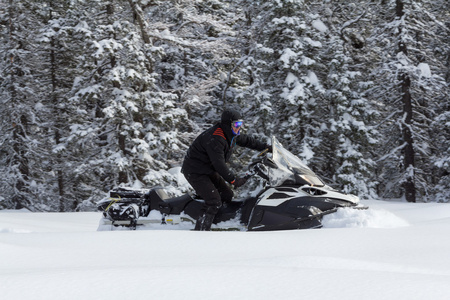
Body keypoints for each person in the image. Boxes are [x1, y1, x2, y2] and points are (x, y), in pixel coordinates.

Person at [181, 108, 271, 231]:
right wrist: (234, 180)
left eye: (240, 124)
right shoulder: (216, 138)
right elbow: (219, 164)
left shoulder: (230, 134)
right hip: (195, 171)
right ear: (228, 124)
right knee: (214, 201)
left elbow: (247, 141)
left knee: (227, 195)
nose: (239, 127)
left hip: (207, 169)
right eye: (236, 124)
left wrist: (266, 147)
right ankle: (201, 231)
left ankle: (217, 224)